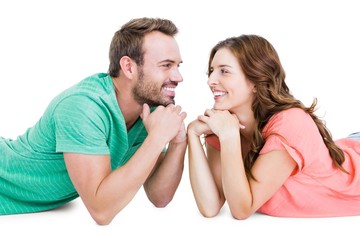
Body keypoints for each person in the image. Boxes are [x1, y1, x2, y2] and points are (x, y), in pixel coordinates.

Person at [0, 17, 187, 225]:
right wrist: (157, 138)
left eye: (178, 65)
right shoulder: (83, 107)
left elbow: (159, 196)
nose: (178, 77)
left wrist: (178, 143)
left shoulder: (149, 111)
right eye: (166, 65)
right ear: (129, 67)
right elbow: (101, 211)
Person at [187, 34, 360, 220]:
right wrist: (192, 134)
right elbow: (210, 206)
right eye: (211, 71)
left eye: (224, 71)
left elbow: (241, 209)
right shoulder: (222, 125)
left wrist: (229, 137)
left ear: (255, 80)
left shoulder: (290, 123)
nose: (210, 81)